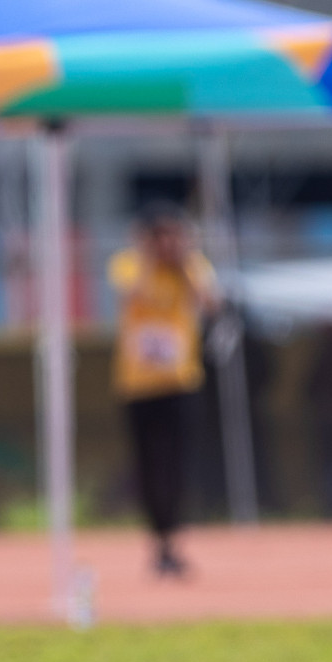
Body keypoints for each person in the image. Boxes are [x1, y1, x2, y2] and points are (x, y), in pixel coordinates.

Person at [107, 203, 221, 577]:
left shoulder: (191, 266)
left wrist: (184, 260)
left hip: (180, 381)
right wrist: (148, 257)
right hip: (139, 385)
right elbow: (130, 293)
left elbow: (210, 304)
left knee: (178, 464)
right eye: (161, 236)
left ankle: (172, 537)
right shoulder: (131, 264)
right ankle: (159, 537)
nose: (168, 243)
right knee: (148, 464)